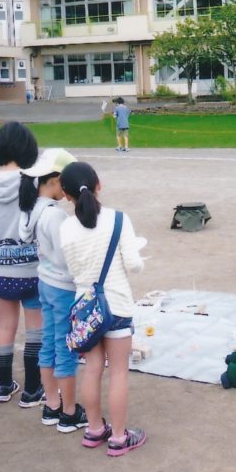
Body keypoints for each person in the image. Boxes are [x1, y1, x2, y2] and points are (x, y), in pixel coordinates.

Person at [59, 161, 147, 456]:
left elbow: (73, 268)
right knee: (119, 372)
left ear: (66, 195)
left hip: (85, 308)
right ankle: (119, 437)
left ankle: (95, 429)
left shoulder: (65, 228)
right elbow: (133, 265)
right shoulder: (118, 219)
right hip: (116, 304)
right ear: (99, 185)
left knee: (92, 369)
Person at [0, 122, 44, 406]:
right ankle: (32, 389)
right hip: (32, 271)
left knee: (5, 325)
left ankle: (3, 386)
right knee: (35, 330)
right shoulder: (34, 181)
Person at [17, 148, 87, 432]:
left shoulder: (32, 208)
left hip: (45, 283)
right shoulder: (54, 215)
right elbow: (67, 258)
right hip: (62, 287)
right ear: (56, 180)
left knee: (49, 343)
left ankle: (52, 405)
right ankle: (69, 412)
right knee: (65, 347)